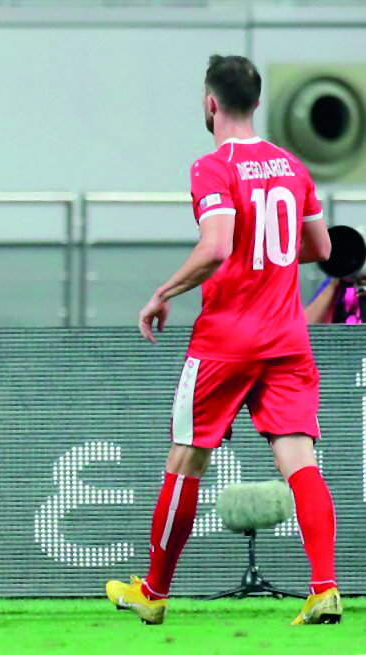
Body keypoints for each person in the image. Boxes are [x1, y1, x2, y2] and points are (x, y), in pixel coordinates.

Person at [105, 55, 339, 626]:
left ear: (210, 103)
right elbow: (321, 249)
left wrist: (163, 292)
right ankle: (325, 589)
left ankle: (153, 593)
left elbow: (215, 246)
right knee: (300, 462)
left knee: (185, 459)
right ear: (257, 102)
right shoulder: (293, 166)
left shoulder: (212, 167)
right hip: (286, 336)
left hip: (227, 339)